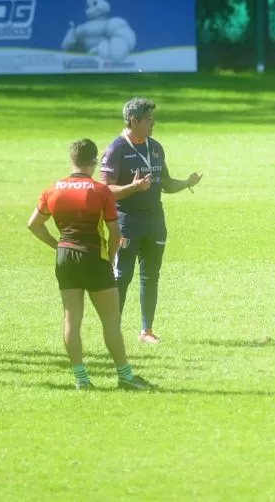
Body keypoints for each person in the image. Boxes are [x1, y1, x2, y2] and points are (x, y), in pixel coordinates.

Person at [28, 139, 158, 391]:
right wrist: (109, 259)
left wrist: (57, 245)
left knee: (71, 319)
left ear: (72, 160)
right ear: (94, 161)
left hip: (66, 257)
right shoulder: (100, 191)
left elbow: (33, 224)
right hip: (93, 256)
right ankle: (125, 376)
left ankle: (81, 378)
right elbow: (113, 230)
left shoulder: (52, 189)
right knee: (110, 320)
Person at [99, 98, 202, 344]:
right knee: (121, 276)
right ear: (134, 121)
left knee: (151, 276)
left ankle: (146, 331)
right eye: (148, 119)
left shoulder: (155, 147)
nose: (153, 122)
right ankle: (114, 328)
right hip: (126, 222)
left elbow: (164, 183)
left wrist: (186, 183)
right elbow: (104, 190)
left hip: (155, 220)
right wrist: (132, 188)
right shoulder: (116, 149)